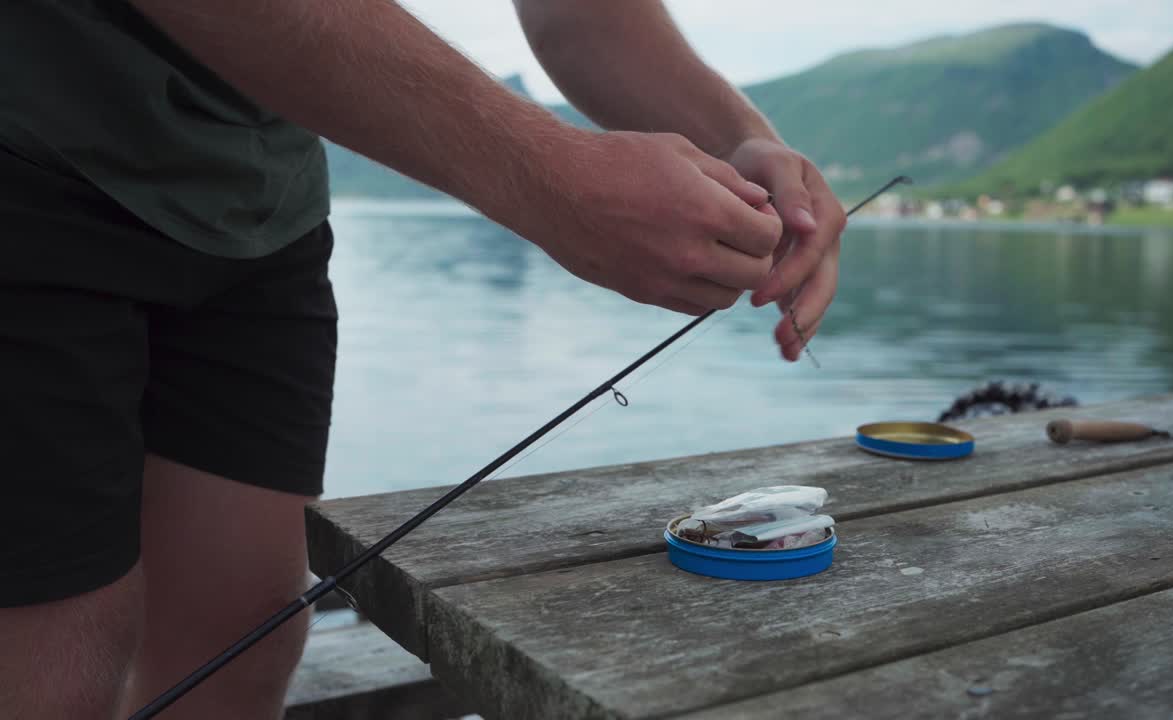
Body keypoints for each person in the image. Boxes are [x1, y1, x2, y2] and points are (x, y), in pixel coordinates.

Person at [0, 0, 846, 717]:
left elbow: (582, 14)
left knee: (237, 661)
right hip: (28, 153)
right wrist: (545, 172)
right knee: (55, 671)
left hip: (261, 208)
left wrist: (739, 140)